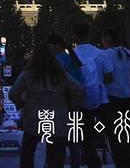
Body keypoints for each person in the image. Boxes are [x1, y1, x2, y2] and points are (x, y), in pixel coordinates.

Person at [10, 43, 84, 168]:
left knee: (28, 151)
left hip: (33, 118)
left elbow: (13, 93)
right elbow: (79, 89)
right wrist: (71, 105)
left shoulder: (28, 74)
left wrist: (22, 104)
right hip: (57, 119)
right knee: (56, 155)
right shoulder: (61, 75)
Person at [72, 21, 113, 168]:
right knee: (108, 131)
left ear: (75, 36)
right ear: (90, 33)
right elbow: (109, 78)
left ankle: (90, 160)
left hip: (80, 101)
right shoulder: (101, 54)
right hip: (101, 98)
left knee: (85, 134)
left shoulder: (72, 55)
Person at [100, 27, 130, 168]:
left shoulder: (106, 55)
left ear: (106, 40)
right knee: (128, 132)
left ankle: (122, 163)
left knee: (115, 135)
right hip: (127, 96)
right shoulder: (126, 52)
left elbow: (106, 76)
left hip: (113, 97)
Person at [46, 33, 83, 168]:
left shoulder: (57, 61)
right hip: (75, 104)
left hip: (61, 104)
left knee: (56, 141)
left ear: (57, 46)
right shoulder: (72, 59)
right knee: (74, 143)